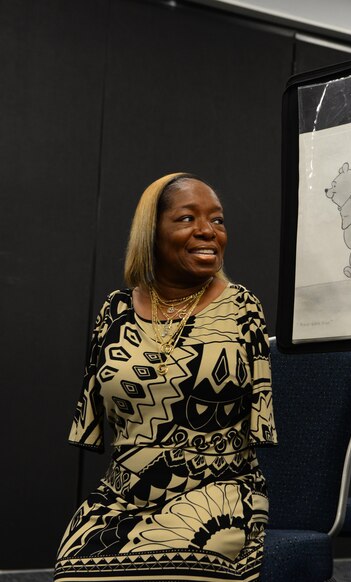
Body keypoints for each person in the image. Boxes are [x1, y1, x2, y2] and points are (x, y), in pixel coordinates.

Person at [54, 173, 275, 582]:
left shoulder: (241, 308)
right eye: (187, 218)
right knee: (73, 570)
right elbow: (94, 409)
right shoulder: (114, 311)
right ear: (150, 232)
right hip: (121, 495)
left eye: (218, 220)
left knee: (170, 570)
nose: (208, 231)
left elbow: (258, 413)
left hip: (216, 492)